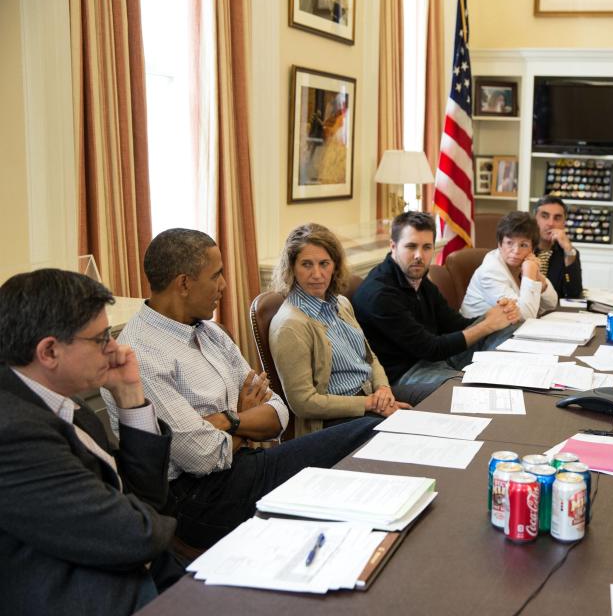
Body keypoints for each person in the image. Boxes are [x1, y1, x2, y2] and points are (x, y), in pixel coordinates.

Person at [102, 228, 380, 549]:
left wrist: (226, 422)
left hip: (244, 466)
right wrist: (241, 418)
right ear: (183, 283)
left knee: (371, 433)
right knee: (366, 435)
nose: (224, 285)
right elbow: (203, 457)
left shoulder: (210, 332)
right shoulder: (142, 353)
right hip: (201, 499)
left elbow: (277, 412)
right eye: (216, 275)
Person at [0, 269, 178, 616]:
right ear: (49, 352)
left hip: (139, 571)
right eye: (101, 339)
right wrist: (160, 525)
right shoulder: (12, 432)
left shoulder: (65, 400)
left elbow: (144, 498)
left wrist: (129, 396)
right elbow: (136, 534)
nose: (115, 348)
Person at [268, 223, 433, 437]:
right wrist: (370, 404)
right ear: (292, 268)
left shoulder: (341, 304)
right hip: (333, 420)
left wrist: (383, 389)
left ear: (335, 266)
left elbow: (369, 357)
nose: (317, 274)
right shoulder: (291, 325)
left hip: (371, 394)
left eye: (324, 263)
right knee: (410, 430)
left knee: (442, 394)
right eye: (306, 264)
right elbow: (304, 403)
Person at [353, 211, 521, 387]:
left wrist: (496, 315)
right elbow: (429, 348)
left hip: (438, 360)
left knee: (508, 326)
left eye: (426, 247)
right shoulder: (379, 293)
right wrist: (487, 324)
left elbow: (456, 325)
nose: (419, 255)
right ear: (393, 246)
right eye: (411, 246)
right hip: (404, 376)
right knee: (471, 389)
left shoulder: (418, 279)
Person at [461, 211, 559, 320]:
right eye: (509, 243)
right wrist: (529, 273)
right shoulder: (490, 271)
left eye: (523, 245)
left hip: (505, 330)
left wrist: (539, 277)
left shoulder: (525, 264)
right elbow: (524, 316)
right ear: (499, 244)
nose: (516, 251)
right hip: (480, 332)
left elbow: (552, 303)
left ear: (533, 249)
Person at [532, 195, 583, 299]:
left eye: (557, 218)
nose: (551, 223)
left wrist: (568, 250)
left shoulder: (569, 252)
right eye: (544, 216)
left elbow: (574, 293)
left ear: (564, 223)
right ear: (534, 219)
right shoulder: (521, 248)